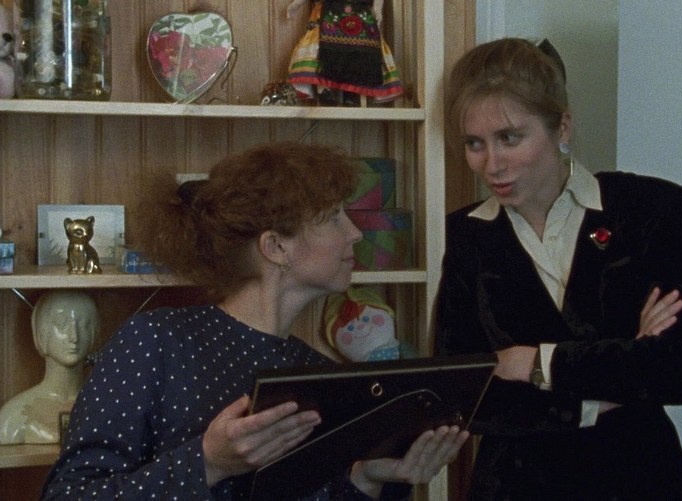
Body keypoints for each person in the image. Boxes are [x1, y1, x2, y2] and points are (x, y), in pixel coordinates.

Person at [41, 142, 469, 500]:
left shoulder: (319, 373)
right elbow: (67, 494)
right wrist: (208, 463)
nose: (355, 233)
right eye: (333, 217)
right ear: (276, 247)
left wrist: (368, 479)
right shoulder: (155, 341)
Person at [434, 37, 682, 500]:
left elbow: (680, 370)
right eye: (474, 144)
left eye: (509, 138)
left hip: (640, 483)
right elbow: (464, 396)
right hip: (516, 490)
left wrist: (535, 362)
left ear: (561, 127)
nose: (491, 165)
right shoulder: (463, 237)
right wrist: (609, 385)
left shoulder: (651, 210)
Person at [0, 290, 99, 444]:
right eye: (61, 324)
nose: (74, 337)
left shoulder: (106, 408)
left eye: (84, 325)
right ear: (41, 333)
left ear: (94, 334)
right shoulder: (12, 418)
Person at [285, 0, 404, 105]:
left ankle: (352, 92)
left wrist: (377, 8)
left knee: (359, 50)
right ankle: (324, 90)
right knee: (322, 50)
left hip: (359, 12)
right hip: (329, 11)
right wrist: (296, 4)